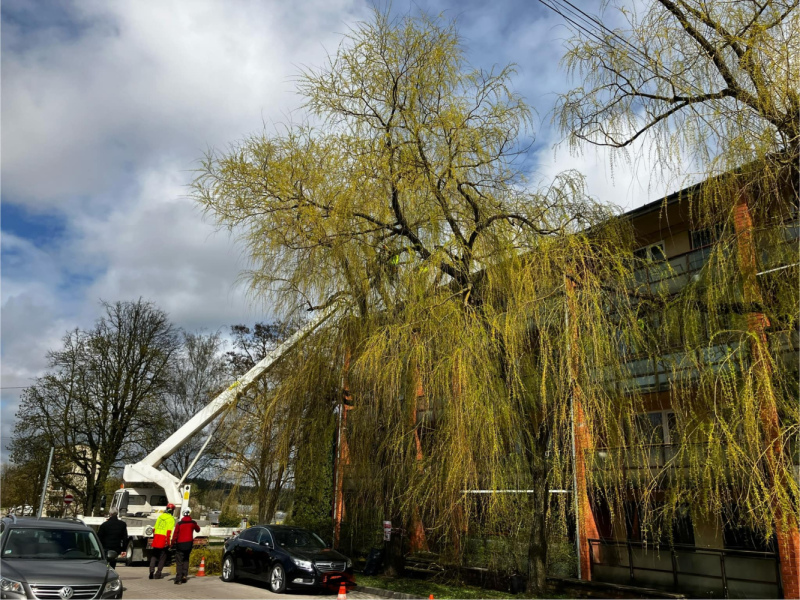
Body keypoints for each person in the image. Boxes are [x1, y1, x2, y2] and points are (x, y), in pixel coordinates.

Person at [171, 510, 200, 584]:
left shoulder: (179, 524)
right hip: (189, 544)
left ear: (183, 515)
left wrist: (172, 543)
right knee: (186, 559)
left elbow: (175, 534)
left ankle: (178, 578)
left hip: (180, 544)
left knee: (179, 561)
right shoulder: (192, 523)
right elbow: (198, 530)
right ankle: (184, 575)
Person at [149, 503, 176, 579]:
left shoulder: (160, 517)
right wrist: (169, 543)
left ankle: (151, 570)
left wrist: (155, 537)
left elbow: (154, 529)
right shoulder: (171, 519)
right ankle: (158, 573)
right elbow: (168, 532)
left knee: (154, 556)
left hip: (157, 538)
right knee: (162, 557)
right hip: (163, 540)